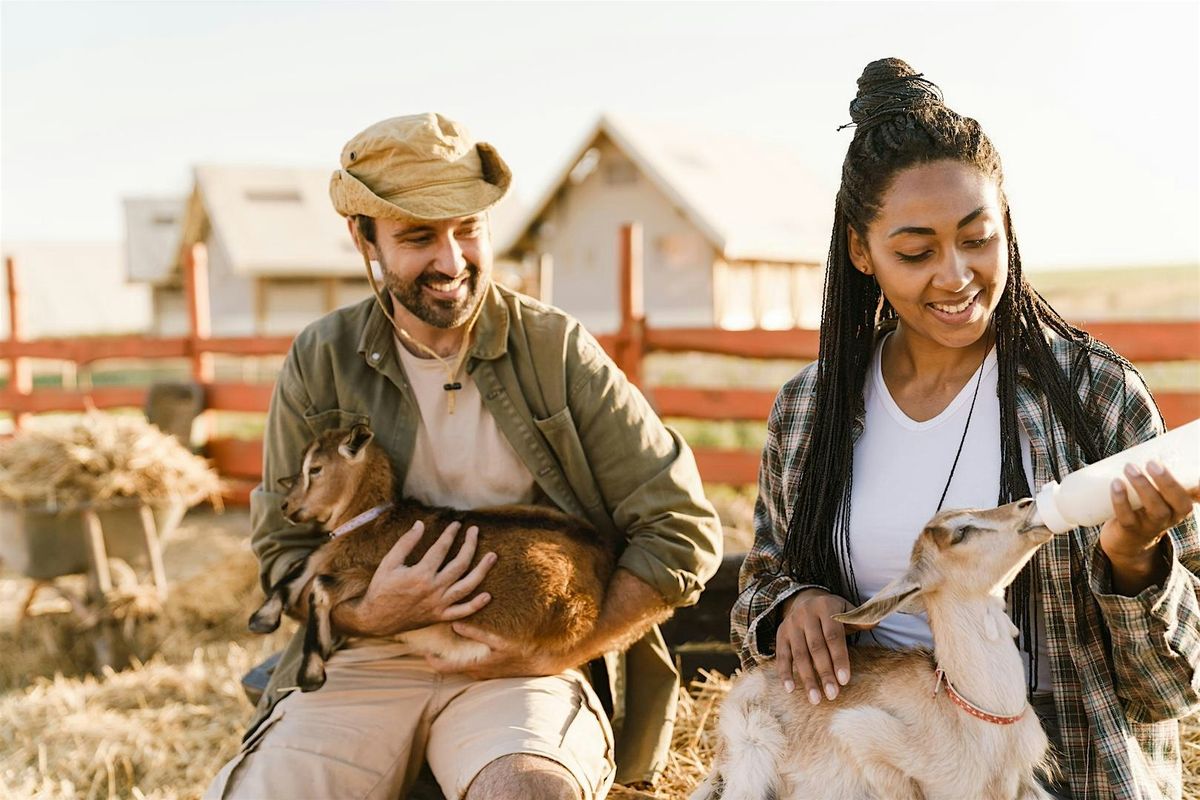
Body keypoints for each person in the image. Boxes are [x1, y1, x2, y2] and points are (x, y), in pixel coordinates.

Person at [205, 113, 722, 800]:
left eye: (468, 229)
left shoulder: (556, 349)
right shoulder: (321, 357)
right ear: (364, 238)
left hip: (521, 670)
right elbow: (283, 550)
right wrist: (370, 613)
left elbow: (681, 529)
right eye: (418, 237)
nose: (451, 262)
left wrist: (561, 649)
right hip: (364, 661)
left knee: (529, 793)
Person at [730, 59, 1200, 800]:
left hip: (1063, 778)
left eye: (978, 239)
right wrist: (793, 604)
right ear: (861, 251)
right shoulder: (810, 411)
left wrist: (1135, 562)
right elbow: (760, 584)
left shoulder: (1092, 398)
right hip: (873, 771)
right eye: (916, 253)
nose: (955, 276)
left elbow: (1174, 688)